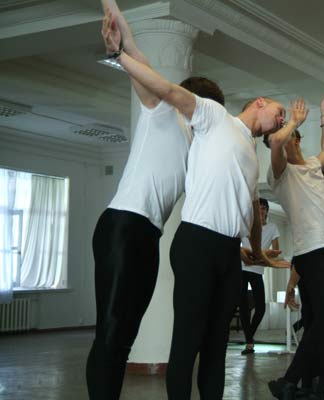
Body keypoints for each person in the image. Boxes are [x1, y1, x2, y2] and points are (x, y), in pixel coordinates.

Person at [102, 10, 294, 398]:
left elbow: (254, 214)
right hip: (196, 244)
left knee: (216, 346)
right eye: (280, 112)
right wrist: (121, 54)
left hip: (228, 252)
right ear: (260, 102)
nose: (281, 119)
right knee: (187, 340)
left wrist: (258, 252)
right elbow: (166, 90)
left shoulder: (251, 155)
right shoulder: (215, 116)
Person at [87, 4, 225, 399]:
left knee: (125, 336)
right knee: (111, 332)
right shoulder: (163, 110)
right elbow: (140, 58)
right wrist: (115, 26)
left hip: (149, 235)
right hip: (122, 225)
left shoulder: (197, 149)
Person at [266, 96, 324, 399]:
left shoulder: (312, 166)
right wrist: (292, 122)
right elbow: (275, 142)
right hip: (309, 253)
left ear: (298, 140)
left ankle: (318, 383)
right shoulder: (280, 176)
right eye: (283, 141)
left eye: (292, 138)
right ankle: (289, 381)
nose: (286, 144)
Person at [239, 198, 280, 355]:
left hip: (258, 270)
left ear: (267, 211)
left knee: (261, 308)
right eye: (259, 208)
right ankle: (249, 342)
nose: (261, 210)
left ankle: (249, 336)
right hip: (242, 269)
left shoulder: (272, 227)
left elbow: (275, 252)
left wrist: (259, 257)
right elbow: (238, 247)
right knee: (243, 307)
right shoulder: (245, 226)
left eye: (264, 208)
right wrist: (258, 255)